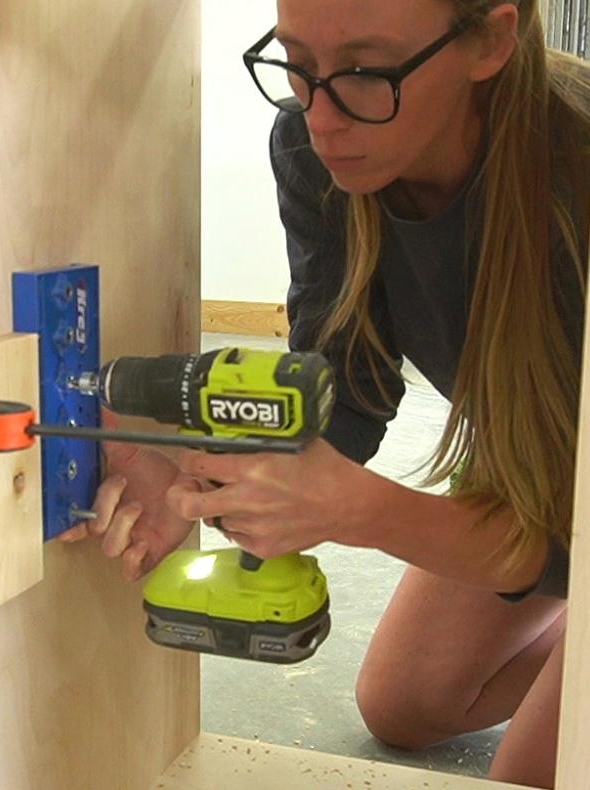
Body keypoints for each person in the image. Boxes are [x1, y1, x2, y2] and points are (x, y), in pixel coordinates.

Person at [59, 1, 590, 787]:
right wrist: (206, 480)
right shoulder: (315, 157)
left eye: (367, 72)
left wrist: (365, 510)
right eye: (297, 63)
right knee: (403, 704)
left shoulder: (575, 171)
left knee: (533, 774)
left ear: (491, 38)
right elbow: (346, 383)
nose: (322, 118)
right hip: (540, 466)